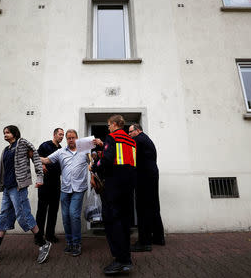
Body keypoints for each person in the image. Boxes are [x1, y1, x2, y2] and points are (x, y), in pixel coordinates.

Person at [0, 125, 51, 264]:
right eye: (4, 132)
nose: (5, 134)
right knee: (3, 217)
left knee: (24, 216)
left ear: (14, 133)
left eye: (8, 132)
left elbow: (35, 156)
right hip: (7, 189)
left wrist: (40, 177)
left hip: (19, 187)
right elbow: (0, 172)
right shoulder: (6, 150)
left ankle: (43, 244)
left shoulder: (22, 143)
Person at [91, 115, 137, 275]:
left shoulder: (112, 137)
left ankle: (121, 260)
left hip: (114, 186)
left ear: (115, 124)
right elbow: (125, 160)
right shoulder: (131, 141)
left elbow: (108, 160)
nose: (108, 128)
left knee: (111, 221)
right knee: (124, 222)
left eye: (109, 124)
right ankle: (126, 257)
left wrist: (95, 166)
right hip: (128, 186)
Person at [40, 129, 94, 257]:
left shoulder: (85, 149)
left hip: (79, 188)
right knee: (65, 217)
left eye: (73, 137)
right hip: (65, 189)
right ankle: (69, 242)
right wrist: (31, 155)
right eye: (68, 138)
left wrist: (92, 174)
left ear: (77, 138)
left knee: (73, 214)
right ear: (66, 139)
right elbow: (47, 160)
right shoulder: (61, 152)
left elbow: (91, 163)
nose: (71, 140)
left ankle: (77, 243)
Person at [128, 123, 165, 252]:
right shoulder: (146, 139)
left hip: (143, 179)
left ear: (137, 131)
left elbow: (130, 157)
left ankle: (144, 242)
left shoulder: (138, 140)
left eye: (130, 132)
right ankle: (158, 237)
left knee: (143, 209)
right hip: (152, 177)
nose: (129, 134)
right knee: (154, 207)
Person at [34, 128, 64, 245]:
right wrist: (41, 164)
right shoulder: (45, 145)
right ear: (54, 134)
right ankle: (38, 236)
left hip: (56, 183)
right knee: (41, 210)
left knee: (53, 210)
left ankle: (50, 235)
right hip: (45, 183)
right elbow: (35, 157)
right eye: (60, 134)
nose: (61, 137)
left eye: (62, 135)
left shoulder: (61, 150)